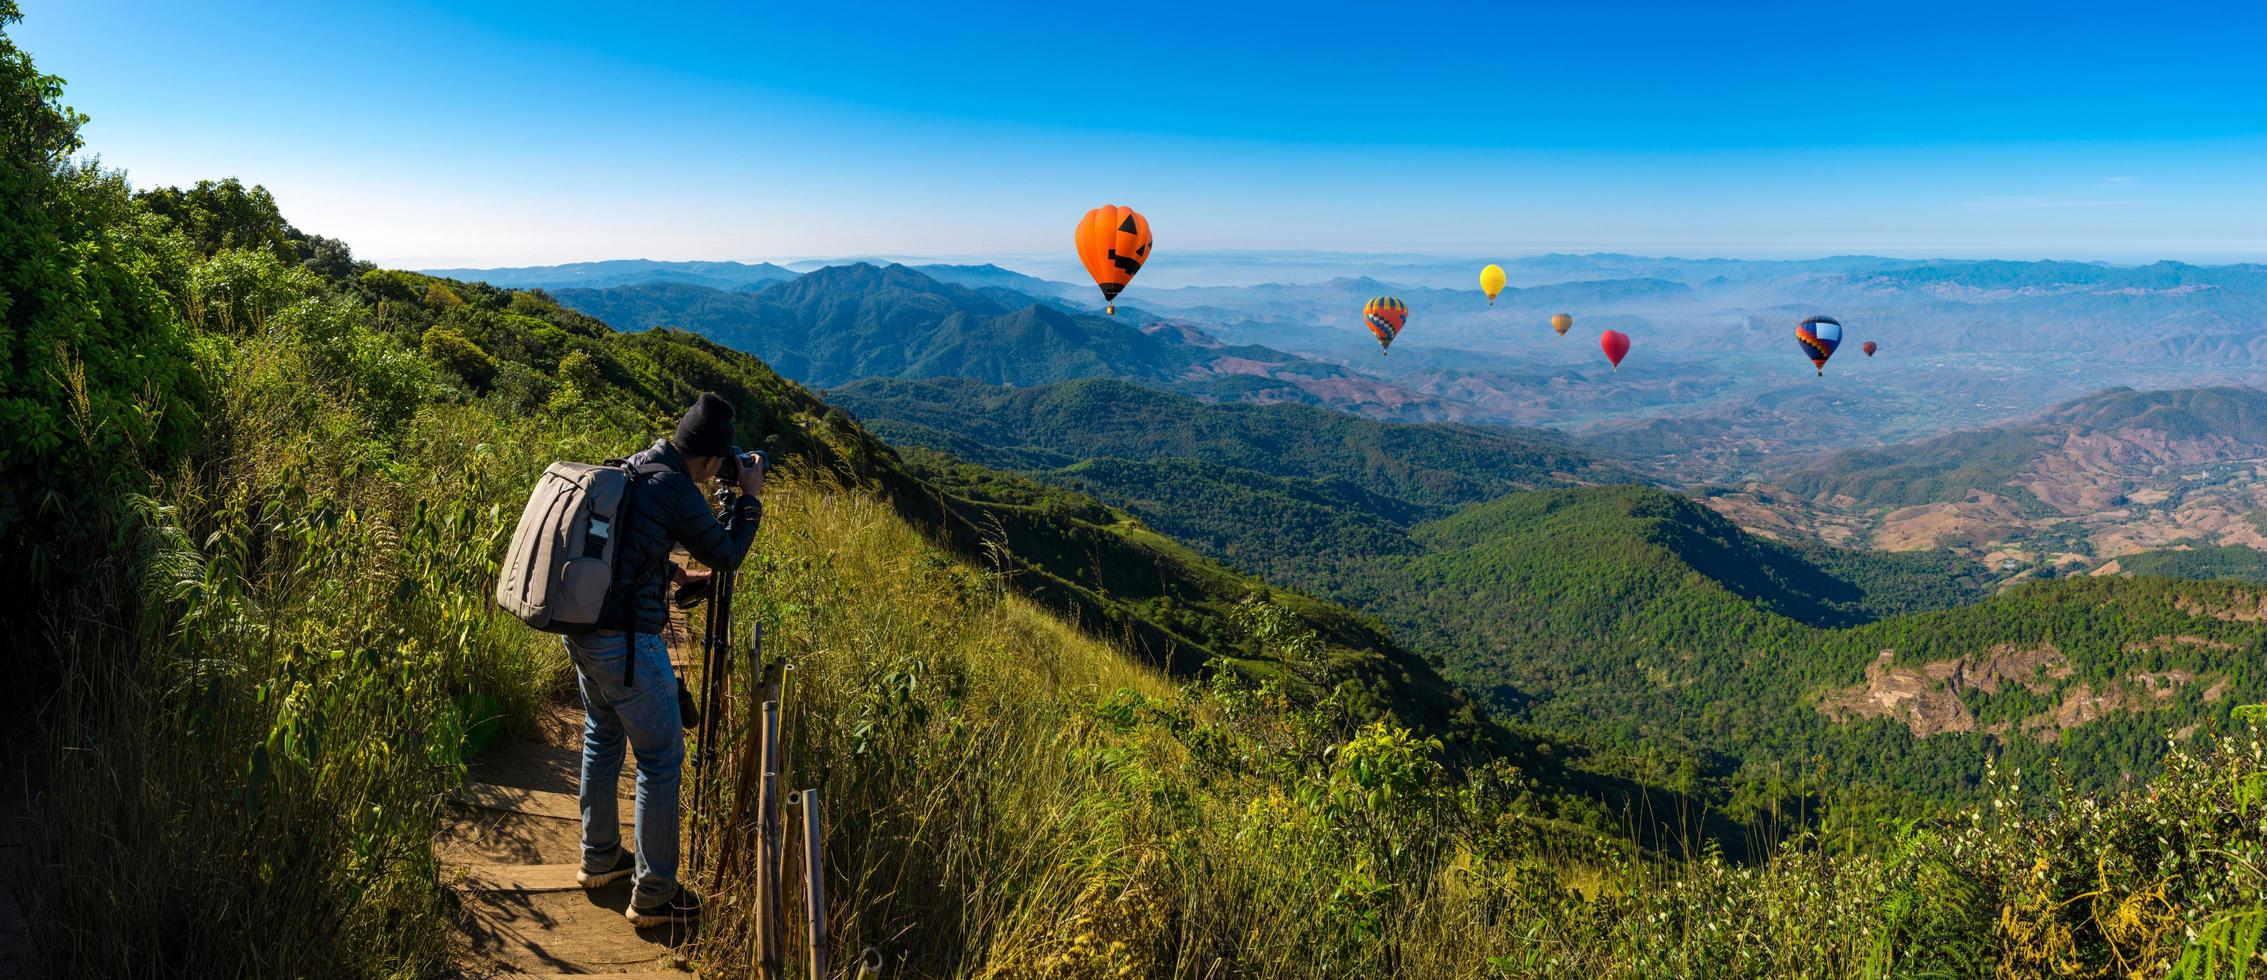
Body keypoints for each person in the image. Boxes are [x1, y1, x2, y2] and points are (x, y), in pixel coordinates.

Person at [564, 392, 764, 927]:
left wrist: (677, 576)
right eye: (722, 463)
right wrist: (750, 500)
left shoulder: (642, 462)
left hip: (582, 629)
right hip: (624, 640)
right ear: (710, 459)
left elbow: (631, 542)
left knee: (602, 734)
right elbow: (726, 554)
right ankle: (654, 895)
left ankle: (599, 858)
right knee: (661, 757)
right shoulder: (677, 485)